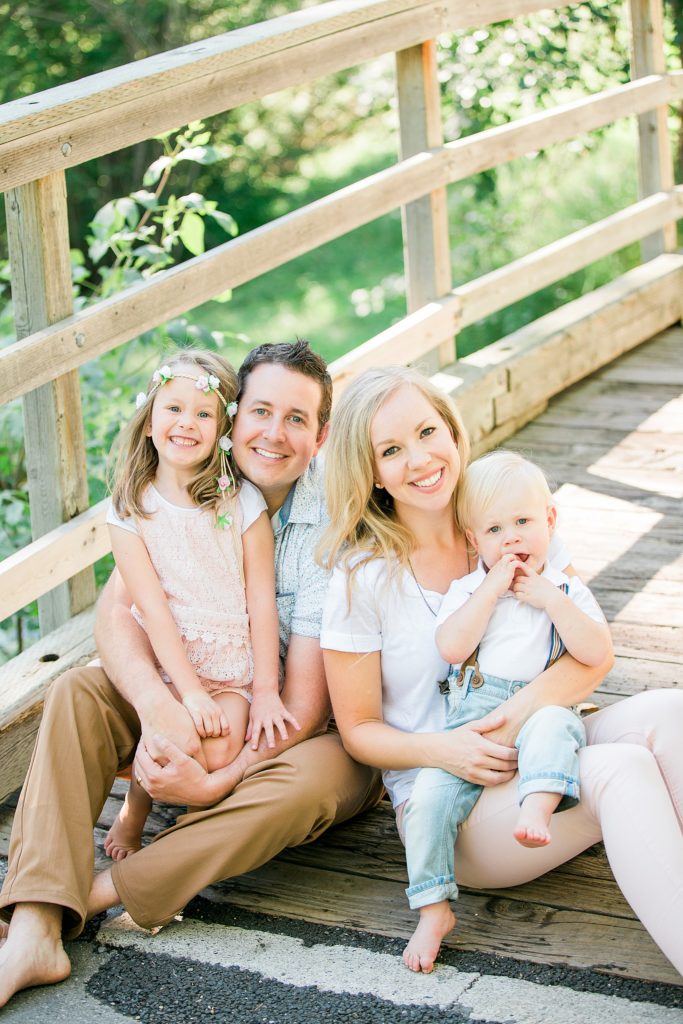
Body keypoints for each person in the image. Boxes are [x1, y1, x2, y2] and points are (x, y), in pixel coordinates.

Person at [0, 340, 383, 1009]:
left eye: (296, 419)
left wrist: (211, 782)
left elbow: (298, 707)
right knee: (78, 691)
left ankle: (102, 891)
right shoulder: (184, 487)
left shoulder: (332, 525)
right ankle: (34, 925)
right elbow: (117, 616)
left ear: (321, 435)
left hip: (311, 725)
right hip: (197, 693)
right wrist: (157, 706)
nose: (273, 432)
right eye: (259, 411)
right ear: (231, 420)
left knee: (320, 777)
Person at [319, 365, 683, 977]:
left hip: (539, 736)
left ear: (452, 430)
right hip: (453, 807)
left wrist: (511, 720)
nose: (419, 458)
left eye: (428, 431)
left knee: (671, 709)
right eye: (391, 449)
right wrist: (449, 749)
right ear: (370, 471)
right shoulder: (362, 577)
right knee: (618, 770)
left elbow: (590, 657)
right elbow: (359, 730)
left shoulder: (503, 517)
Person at [403, 450, 612, 967]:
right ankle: (433, 908)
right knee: (428, 798)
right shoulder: (469, 590)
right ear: (475, 541)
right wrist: (491, 590)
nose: (512, 537)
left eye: (523, 522)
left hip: (540, 706)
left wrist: (552, 600)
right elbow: (452, 648)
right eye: (495, 529)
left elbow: (595, 651)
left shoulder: (565, 588)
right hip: (472, 722)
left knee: (555, 725)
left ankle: (537, 806)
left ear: (550, 521)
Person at [104, 349, 296, 860]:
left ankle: (188, 833)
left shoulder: (241, 502)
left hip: (234, 667)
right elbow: (152, 609)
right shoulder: (129, 511)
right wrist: (186, 693)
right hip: (171, 664)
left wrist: (267, 689)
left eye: (203, 414)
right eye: (173, 409)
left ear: (222, 429)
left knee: (217, 748)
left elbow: (261, 598)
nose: (187, 423)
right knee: (171, 735)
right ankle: (134, 810)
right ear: (148, 421)